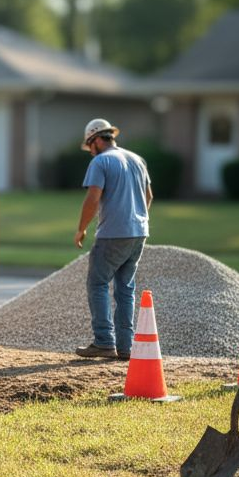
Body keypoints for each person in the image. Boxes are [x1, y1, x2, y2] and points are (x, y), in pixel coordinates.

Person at [72, 118, 153, 360]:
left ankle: (104, 342)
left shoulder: (101, 161)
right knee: (125, 289)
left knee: (97, 284)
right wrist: (137, 218)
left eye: (90, 146)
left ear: (96, 140)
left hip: (112, 234)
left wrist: (81, 229)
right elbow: (149, 195)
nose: (90, 152)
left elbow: (93, 199)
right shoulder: (137, 159)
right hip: (139, 232)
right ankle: (126, 347)